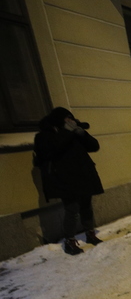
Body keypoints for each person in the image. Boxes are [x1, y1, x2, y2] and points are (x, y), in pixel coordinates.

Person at [33, 107, 104, 255]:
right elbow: (54, 149)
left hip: (83, 175)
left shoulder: (73, 131)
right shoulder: (45, 135)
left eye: (71, 118)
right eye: (67, 119)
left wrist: (82, 133)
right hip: (64, 179)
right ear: (59, 120)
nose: (71, 121)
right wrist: (69, 132)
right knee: (72, 210)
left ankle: (90, 234)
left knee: (86, 206)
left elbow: (94, 146)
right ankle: (70, 241)